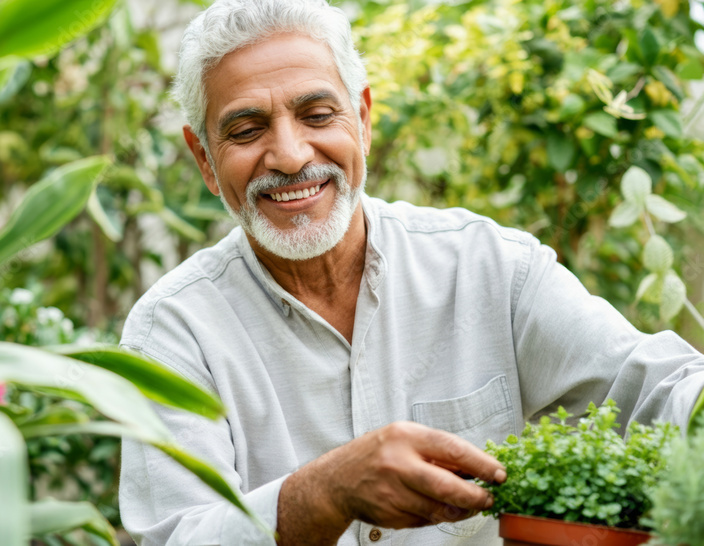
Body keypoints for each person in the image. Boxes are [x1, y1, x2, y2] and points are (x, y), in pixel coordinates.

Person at [117, 0, 704, 544]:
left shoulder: (488, 267)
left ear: (363, 120)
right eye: (246, 131)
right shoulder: (173, 332)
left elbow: (659, 389)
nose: (291, 156)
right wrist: (323, 492)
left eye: (318, 114)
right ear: (204, 159)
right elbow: (176, 534)